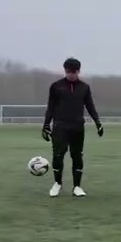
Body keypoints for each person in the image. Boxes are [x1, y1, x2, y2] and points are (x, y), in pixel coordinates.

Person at [41, 57, 103, 197]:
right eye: (68, 71)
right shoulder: (56, 86)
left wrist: (98, 122)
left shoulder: (84, 88)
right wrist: (46, 124)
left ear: (78, 71)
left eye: (73, 72)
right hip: (60, 126)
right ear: (65, 71)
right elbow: (50, 107)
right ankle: (57, 184)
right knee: (58, 156)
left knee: (77, 156)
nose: (71, 74)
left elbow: (90, 106)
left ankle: (77, 187)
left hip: (77, 127)